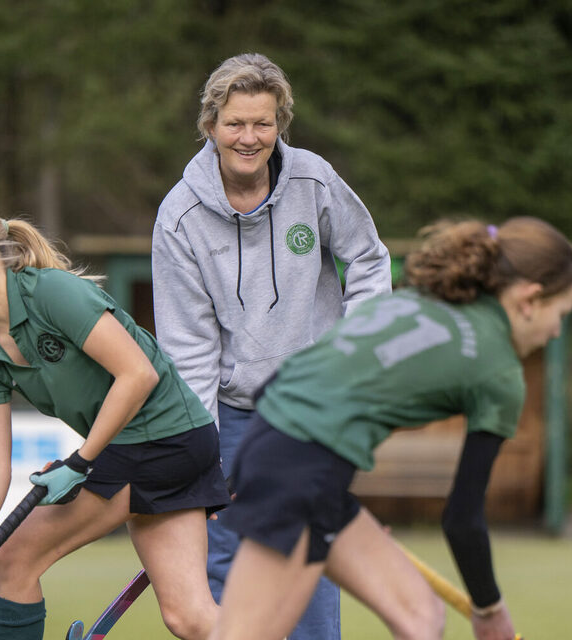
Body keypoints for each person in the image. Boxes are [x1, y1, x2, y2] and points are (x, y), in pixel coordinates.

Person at [210, 217, 572, 640]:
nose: (557, 331)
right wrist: (489, 609)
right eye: (561, 314)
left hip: (280, 445)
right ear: (530, 299)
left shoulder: (422, 301)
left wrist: (258, 468)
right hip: (305, 475)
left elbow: (296, 378)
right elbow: (462, 519)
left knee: (419, 617)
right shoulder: (500, 371)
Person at [152, 52, 391, 640]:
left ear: (280, 123)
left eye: (263, 123)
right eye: (235, 123)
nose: (249, 137)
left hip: (312, 407)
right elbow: (188, 345)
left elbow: (368, 260)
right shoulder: (180, 217)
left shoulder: (314, 180)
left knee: (307, 552)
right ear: (210, 124)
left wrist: (351, 359)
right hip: (233, 413)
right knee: (225, 562)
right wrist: (202, 449)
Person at [0, 200, 229, 640]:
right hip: (160, 445)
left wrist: (81, 461)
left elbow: (138, 374)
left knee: (13, 561)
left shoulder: (52, 293)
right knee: (189, 618)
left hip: (159, 439)